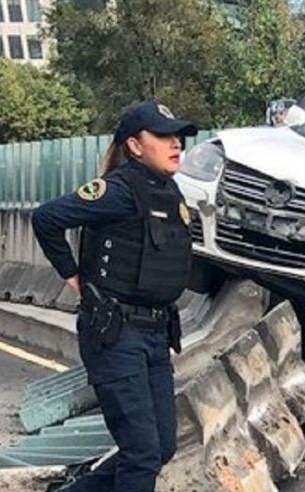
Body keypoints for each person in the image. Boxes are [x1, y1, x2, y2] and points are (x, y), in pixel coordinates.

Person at [31, 101, 198, 492]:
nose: (176, 144)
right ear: (136, 146)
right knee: (140, 454)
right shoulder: (120, 190)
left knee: (160, 448)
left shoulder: (169, 191)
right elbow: (47, 217)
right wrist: (69, 272)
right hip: (116, 334)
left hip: (156, 334)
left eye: (178, 137)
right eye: (163, 136)